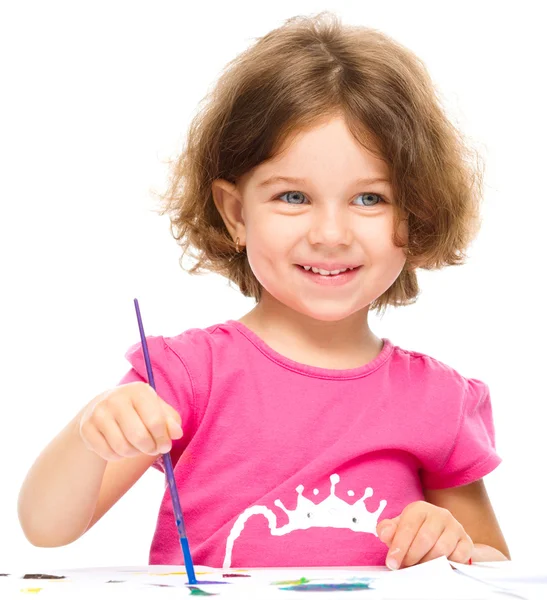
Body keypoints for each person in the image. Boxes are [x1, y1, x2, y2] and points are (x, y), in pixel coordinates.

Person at [18, 12, 510, 570]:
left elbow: (497, 564)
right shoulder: (186, 376)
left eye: (370, 198)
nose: (330, 234)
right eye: (293, 197)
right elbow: (46, 528)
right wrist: (94, 430)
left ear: (416, 210)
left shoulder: (437, 400)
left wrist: (454, 546)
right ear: (235, 213)